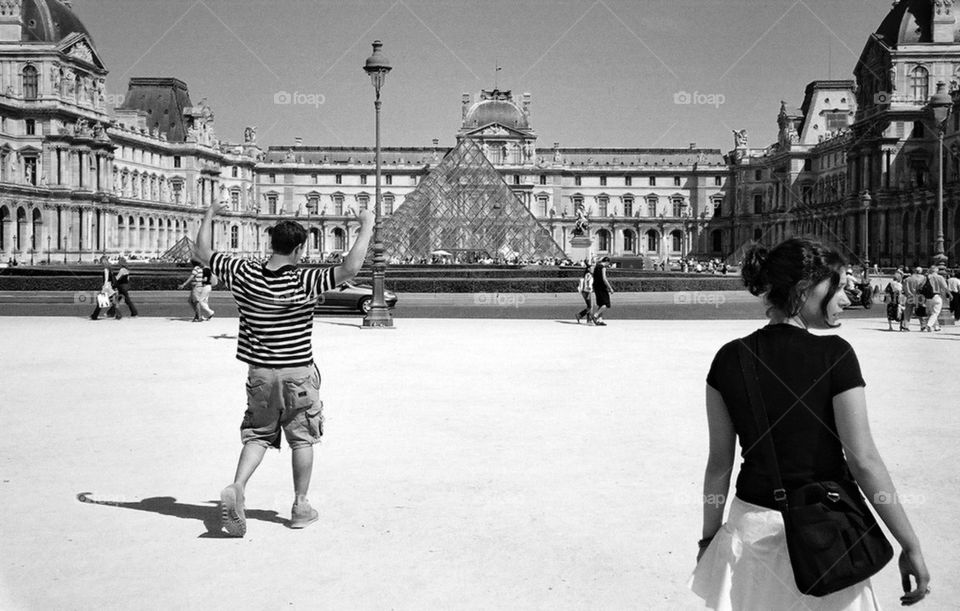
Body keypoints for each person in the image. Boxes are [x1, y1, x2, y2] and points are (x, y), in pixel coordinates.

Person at [691, 237, 930, 610]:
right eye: (838, 286)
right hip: (826, 539)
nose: (847, 298)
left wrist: (709, 539)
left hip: (751, 532)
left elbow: (719, 465)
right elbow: (864, 460)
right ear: (805, 289)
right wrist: (909, 542)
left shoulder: (729, 358)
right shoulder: (835, 355)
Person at [194, 204, 375, 537]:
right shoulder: (305, 279)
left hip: (259, 373)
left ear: (270, 243)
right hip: (298, 374)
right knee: (302, 438)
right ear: (298, 248)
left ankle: (238, 485)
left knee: (257, 435)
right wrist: (366, 224)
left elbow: (203, 252)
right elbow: (351, 267)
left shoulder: (243, 272)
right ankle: (301, 505)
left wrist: (209, 215)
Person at [89, 256, 121, 321]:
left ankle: (94, 316)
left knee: (101, 301)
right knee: (112, 301)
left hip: (107, 286)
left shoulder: (106, 269)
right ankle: (118, 315)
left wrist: (104, 287)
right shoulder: (109, 268)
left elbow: (106, 279)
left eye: (101, 262)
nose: (101, 264)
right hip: (109, 286)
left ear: (103, 262)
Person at [922, 265, 949, 332]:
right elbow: (945, 287)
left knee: (932, 313)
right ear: (937, 270)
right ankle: (929, 325)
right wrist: (950, 295)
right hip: (936, 296)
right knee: (935, 313)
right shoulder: (940, 277)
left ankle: (936, 327)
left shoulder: (926, 277)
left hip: (928, 297)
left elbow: (920, 286)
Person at [590, 256, 614, 326]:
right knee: (606, 304)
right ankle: (595, 316)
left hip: (596, 287)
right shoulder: (603, 268)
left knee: (600, 304)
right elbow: (604, 278)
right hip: (602, 287)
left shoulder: (596, 267)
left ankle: (600, 320)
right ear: (607, 262)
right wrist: (610, 288)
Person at [902, 267, 925, 332]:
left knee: (908, 312)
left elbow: (904, 288)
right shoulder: (923, 278)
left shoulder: (907, 279)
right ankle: (923, 325)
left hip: (910, 296)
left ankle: (906, 326)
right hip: (919, 296)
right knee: (920, 311)